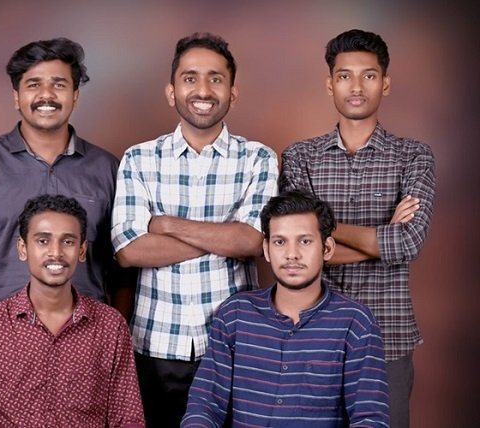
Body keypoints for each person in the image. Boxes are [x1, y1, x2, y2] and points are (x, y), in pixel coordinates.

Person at [111, 32, 278, 426]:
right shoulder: (139, 158)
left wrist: (167, 226)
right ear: (171, 92)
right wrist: (226, 236)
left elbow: (253, 240)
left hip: (235, 345)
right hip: (155, 343)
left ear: (233, 92)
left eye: (215, 78)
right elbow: (129, 250)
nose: (203, 90)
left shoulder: (259, 158)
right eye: (190, 78)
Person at [0, 38, 126, 356]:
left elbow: (122, 271)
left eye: (59, 84)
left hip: (85, 344)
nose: (46, 95)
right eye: (34, 84)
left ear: (75, 96)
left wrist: (113, 345)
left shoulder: (106, 169)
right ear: (16, 97)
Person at [279, 29, 435, 427]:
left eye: (369, 75)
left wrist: (324, 232)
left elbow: (408, 243)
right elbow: (296, 248)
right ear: (330, 84)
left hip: (388, 337)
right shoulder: (300, 157)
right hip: (312, 335)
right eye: (345, 75)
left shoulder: (414, 156)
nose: (356, 86)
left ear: (385, 83)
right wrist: (382, 236)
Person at [0, 194, 145, 427]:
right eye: (43, 241)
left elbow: (128, 418)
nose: (56, 252)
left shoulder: (111, 326)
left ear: (82, 250)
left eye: (68, 241)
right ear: (23, 248)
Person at [182, 190, 389, 427]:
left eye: (305, 241)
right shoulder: (235, 314)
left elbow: (369, 419)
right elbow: (204, 406)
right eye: (280, 242)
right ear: (267, 249)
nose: (292, 254)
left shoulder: (356, 323)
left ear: (327, 248)